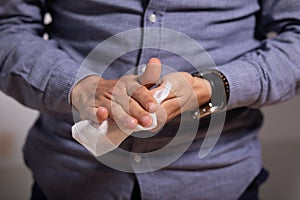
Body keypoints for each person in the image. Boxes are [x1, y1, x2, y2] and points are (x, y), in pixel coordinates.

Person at [0, 0, 299, 199]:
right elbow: (8, 29)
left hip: (218, 180)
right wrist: (79, 88)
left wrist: (213, 88)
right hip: (67, 180)